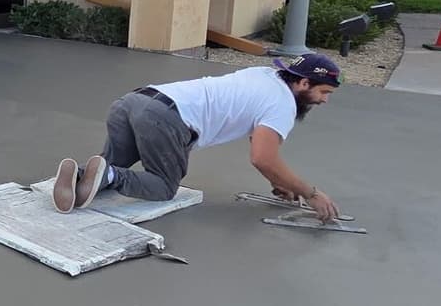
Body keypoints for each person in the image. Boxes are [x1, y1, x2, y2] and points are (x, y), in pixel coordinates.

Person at [51, 53, 343, 223]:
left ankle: (82, 174)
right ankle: (111, 174)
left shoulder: (265, 75)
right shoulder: (283, 104)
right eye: (323, 92)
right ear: (304, 82)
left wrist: (279, 182)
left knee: (98, 179)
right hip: (165, 119)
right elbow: (262, 157)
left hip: (133, 101)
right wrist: (311, 193)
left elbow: (258, 139)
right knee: (163, 186)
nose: (324, 101)